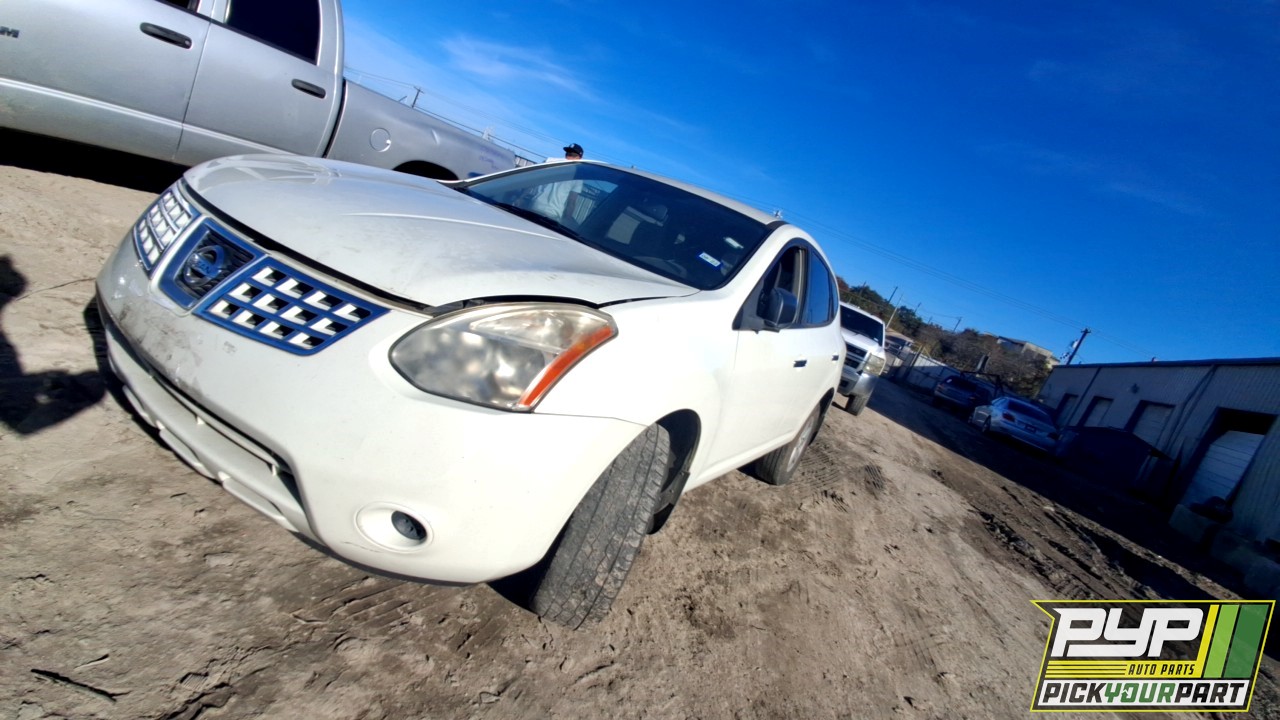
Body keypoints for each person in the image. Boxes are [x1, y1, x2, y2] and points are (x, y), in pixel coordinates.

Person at [528, 143, 586, 221]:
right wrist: (567, 219)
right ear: (580, 158)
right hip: (553, 215)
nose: (568, 156)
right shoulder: (578, 176)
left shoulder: (550, 162)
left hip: (535, 206)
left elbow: (532, 182)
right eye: (568, 153)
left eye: (571, 154)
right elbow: (571, 202)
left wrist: (520, 197)